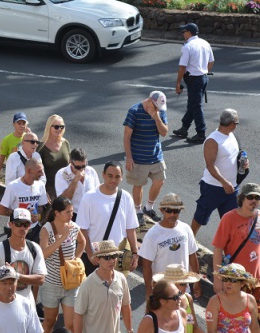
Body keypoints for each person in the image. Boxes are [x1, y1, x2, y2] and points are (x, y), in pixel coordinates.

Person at [74, 240, 133, 333]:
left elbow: (126, 306)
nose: (112, 260)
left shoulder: (121, 279)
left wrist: (130, 332)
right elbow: (78, 315)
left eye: (114, 256)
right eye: (107, 257)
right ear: (97, 259)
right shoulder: (87, 285)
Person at [77, 161, 139, 276]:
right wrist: (90, 254)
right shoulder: (89, 198)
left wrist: (135, 253)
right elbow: (82, 229)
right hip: (96, 259)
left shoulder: (126, 197)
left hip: (117, 258)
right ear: (103, 175)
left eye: (117, 176)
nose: (113, 180)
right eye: (110, 176)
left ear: (121, 177)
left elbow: (130, 229)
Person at [0, 208, 46, 309]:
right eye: (18, 223)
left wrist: (16, 275)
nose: (22, 228)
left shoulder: (35, 249)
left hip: (26, 308)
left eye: (26, 224)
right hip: (3, 308)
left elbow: (40, 279)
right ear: (10, 225)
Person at [39, 197, 85, 333]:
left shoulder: (74, 227)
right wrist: (62, 238)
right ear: (57, 213)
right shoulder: (47, 229)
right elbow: (43, 254)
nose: (71, 215)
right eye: (68, 212)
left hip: (71, 283)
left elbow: (82, 242)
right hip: (51, 284)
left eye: (72, 211)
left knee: (71, 325)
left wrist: (76, 259)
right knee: (49, 323)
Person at [191, 108, 244, 236]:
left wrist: (244, 162)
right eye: (237, 123)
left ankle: (229, 247)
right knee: (201, 217)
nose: (237, 125)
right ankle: (190, 240)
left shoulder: (232, 136)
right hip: (213, 187)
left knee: (232, 220)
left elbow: (236, 155)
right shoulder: (212, 140)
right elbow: (210, 165)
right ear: (231, 124)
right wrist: (223, 182)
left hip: (231, 188)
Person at [140, 193, 200, 297]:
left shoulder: (186, 228)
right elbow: (146, 265)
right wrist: (149, 290)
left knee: (186, 307)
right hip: (162, 290)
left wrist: (197, 281)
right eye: (168, 210)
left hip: (183, 287)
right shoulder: (152, 235)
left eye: (176, 211)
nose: (172, 214)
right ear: (162, 210)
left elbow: (192, 255)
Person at [123, 91, 169, 226]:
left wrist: (156, 118)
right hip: (138, 157)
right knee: (138, 185)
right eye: (155, 107)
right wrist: (129, 157)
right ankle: (137, 211)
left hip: (156, 156)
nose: (157, 109)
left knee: (159, 181)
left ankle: (148, 208)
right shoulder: (134, 111)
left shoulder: (159, 112)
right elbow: (127, 136)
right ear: (149, 101)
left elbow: (164, 132)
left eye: (159, 108)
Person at [152, 265, 207, 333]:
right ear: (171, 285)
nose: (187, 286)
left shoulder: (188, 298)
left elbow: (193, 327)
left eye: (187, 283)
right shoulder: (161, 304)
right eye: (183, 284)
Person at [213, 183, 260, 296]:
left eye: (257, 197)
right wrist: (217, 279)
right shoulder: (229, 218)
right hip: (234, 280)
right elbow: (218, 249)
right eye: (250, 197)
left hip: (256, 281)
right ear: (242, 198)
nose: (254, 200)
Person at [172, 23, 215, 144]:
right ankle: (184, 128)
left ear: (189, 33)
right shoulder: (205, 43)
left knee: (196, 106)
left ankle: (201, 133)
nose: (183, 34)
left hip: (194, 79)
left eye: (184, 32)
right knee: (192, 104)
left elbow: (182, 67)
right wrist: (204, 72)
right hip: (204, 78)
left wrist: (178, 83)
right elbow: (211, 61)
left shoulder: (187, 46)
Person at [0, 157, 49, 243]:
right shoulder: (13, 186)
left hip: (34, 230)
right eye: (39, 171)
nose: (42, 174)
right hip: (17, 230)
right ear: (29, 171)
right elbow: (2, 210)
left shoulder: (40, 185)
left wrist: (38, 215)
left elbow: (41, 206)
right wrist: (25, 216)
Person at [54, 148, 99, 222]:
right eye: (77, 167)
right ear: (70, 162)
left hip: (91, 213)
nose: (81, 169)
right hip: (73, 215)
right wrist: (75, 181)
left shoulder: (91, 171)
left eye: (84, 166)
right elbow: (63, 201)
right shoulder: (61, 174)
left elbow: (98, 193)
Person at [37, 114, 70, 200]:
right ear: (49, 127)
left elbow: (70, 165)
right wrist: (43, 191)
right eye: (56, 127)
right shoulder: (41, 147)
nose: (59, 129)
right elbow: (37, 172)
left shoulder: (65, 143)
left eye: (62, 127)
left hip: (65, 188)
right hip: (49, 191)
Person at [0, 112, 29, 189]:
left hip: (26, 176)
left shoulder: (29, 138)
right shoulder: (7, 140)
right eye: (19, 123)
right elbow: (1, 160)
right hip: (12, 176)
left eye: (23, 123)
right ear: (14, 124)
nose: (22, 126)